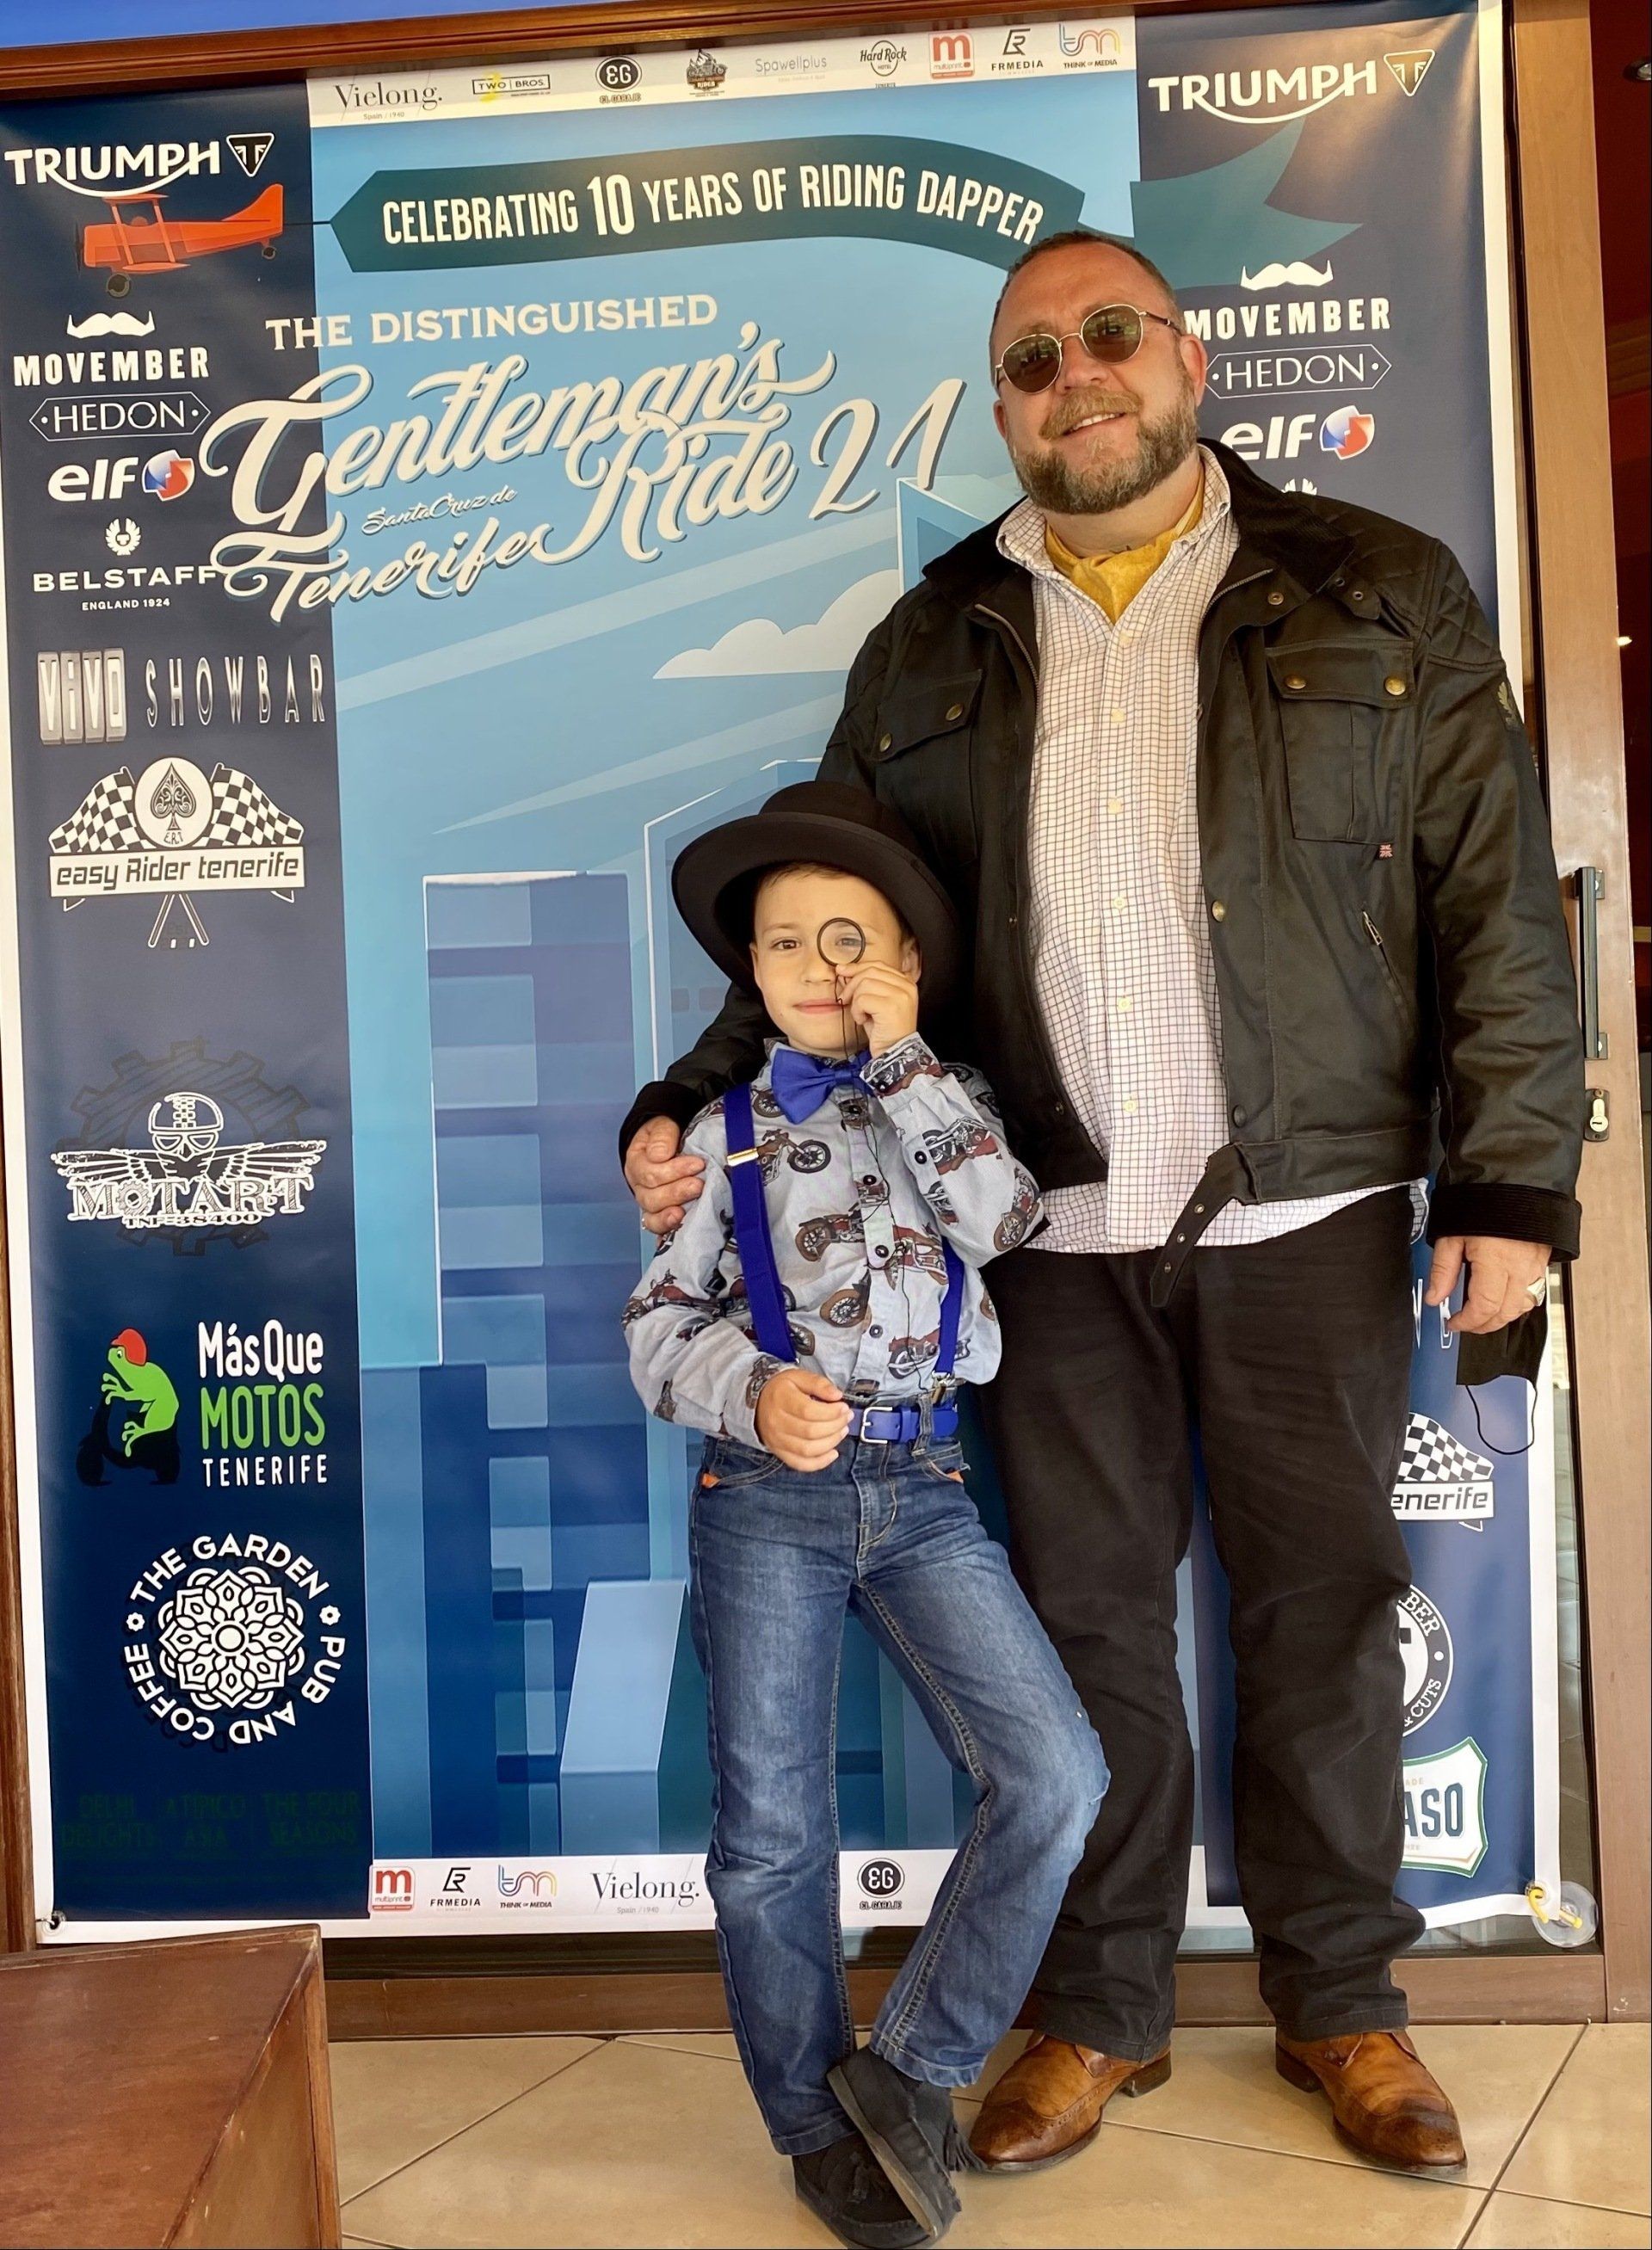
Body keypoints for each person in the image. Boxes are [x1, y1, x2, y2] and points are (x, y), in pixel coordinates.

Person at [620, 229, 1583, 2180]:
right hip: (1034, 1233)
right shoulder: (933, 638)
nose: (1080, 378)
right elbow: (828, 909)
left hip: (1307, 1213)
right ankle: (1101, 2004)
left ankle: (1346, 2001)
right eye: (1035, 359)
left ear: (1188, 358)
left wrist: (1511, 1170)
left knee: (1322, 1619)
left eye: (1110, 337)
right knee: (1086, 1634)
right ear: (1006, 407)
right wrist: (696, 1090)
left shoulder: (1375, 586)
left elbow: (1492, 892)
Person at [622, 778, 1108, 2248]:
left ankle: (905, 2076)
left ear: (907, 966)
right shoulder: (718, 1138)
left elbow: (1003, 1220)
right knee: (772, 1832)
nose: (824, 966)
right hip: (767, 1497)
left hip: (928, 1487)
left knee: (1055, 1775)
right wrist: (748, 1388)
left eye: (858, 940)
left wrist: (903, 1064)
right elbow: (655, 1323)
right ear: (750, 976)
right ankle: (810, 2131)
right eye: (788, 944)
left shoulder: (946, 1109)